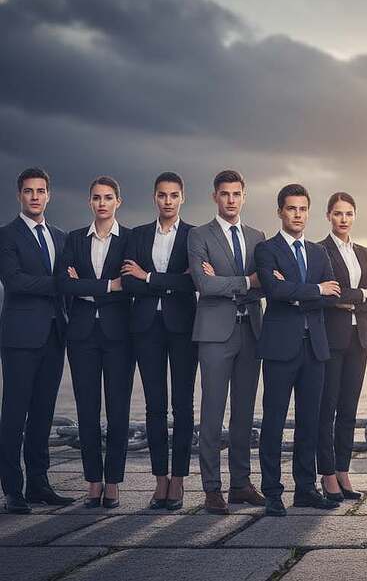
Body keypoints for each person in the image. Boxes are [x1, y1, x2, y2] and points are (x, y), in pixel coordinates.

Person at [255, 184, 342, 516]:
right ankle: (272, 492)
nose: (297, 214)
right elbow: (274, 291)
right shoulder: (267, 250)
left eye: (303, 209)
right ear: (280, 211)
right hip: (280, 348)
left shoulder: (320, 253)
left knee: (310, 421)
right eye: (291, 208)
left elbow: (332, 294)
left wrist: (299, 291)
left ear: (308, 212)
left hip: (315, 347)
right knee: (274, 421)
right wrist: (312, 289)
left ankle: (305, 489)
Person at [187, 169, 266, 514]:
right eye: (224, 194)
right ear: (215, 197)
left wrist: (229, 282)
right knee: (212, 413)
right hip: (215, 334)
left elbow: (265, 284)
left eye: (236, 194)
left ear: (244, 196)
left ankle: (240, 484)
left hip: (251, 332)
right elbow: (204, 286)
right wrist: (246, 282)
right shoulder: (198, 235)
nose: (231, 200)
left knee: (244, 414)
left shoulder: (257, 236)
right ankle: (211, 489)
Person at [121, 172, 197, 510]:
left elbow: (192, 282)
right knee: (154, 406)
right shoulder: (137, 235)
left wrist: (149, 276)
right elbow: (129, 283)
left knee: (182, 406)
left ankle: (178, 479)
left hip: (183, 328)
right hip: (146, 329)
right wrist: (168, 281)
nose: (168, 201)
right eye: (162, 195)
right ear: (155, 197)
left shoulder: (194, 236)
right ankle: (160, 480)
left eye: (174, 195)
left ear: (183, 198)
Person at [56, 175, 134, 509]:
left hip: (120, 335)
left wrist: (86, 284)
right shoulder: (73, 240)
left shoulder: (131, 240)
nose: (102, 203)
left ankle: (113, 482)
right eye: (96, 198)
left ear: (118, 201)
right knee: (87, 411)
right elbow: (64, 285)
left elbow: (132, 284)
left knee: (118, 411)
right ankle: (92, 482)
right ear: (90, 202)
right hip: (82, 335)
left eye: (108, 197)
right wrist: (107, 286)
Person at [0, 167, 74, 513]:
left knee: (43, 413)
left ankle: (39, 484)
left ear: (49, 195)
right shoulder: (7, 235)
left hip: (53, 335)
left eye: (40, 191)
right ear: (20, 195)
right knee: (14, 414)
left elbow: (70, 283)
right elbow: (14, 282)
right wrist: (59, 282)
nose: (35, 196)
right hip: (19, 338)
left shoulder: (60, 237)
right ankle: (12, 490)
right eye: (28, 191)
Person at [317, 192, 367, 502]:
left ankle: (343, 470)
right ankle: (327, 474)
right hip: (332, 340)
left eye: (348, 214)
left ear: (354, 216)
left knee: (348, 409)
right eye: (337, 213)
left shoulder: (364, 252)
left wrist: (351, 298)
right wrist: (359, 295)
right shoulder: (320, 252)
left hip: (360, 340)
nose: (343, 219)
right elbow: (328, 295)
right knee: (327, 408)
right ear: (329, 216)